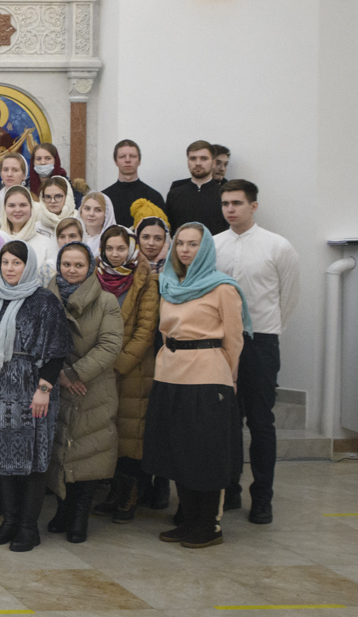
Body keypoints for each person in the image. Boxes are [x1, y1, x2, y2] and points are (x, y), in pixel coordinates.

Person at [145, 223, 247, 549]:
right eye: (181, 244)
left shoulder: (222, 288)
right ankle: (188, 518)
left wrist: (229, 377)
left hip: (206, 375)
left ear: (205, 250)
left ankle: (209, 524)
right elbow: (164, 331)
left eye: (193, 245)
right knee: (177, 451)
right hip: (170, 373)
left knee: (205, 453)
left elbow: (234, 338)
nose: (186, 250)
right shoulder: (170, 283)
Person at [0, 239, 72, 552]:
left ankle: (28, 526)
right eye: (6, 262)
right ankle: (9, 520)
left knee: (31, 461)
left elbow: (56, 352)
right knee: (0, 457)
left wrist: (44, 390)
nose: (10, 268)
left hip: (30, 390)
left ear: (29, 266)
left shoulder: (45, 302)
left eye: (17, 263)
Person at [212, 180, 297, 524]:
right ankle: (229, 488)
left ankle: (262, 496)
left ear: (253, 206)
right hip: (220, 343)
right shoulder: (215, 245)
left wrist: (265, 331)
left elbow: (288, 299)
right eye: (225, 204)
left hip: (260, 340)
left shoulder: (278, 247)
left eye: (237, 203)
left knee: (261, 422)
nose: (230, 209)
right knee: (227, 421)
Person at [41, 241, 122, 544]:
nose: (72, 270)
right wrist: (57, 374)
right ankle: (63, 509)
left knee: (88, 450)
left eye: (78, 265)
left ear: (89, 268)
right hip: (55, 383)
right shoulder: (44, 298)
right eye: (66, 264)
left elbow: (110, 344)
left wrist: (75, 373)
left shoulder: (106, 301)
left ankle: (80, 515)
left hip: (91, 386)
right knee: (60, 449)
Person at [95, 225, 161, 524]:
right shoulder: (95, 277)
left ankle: (131, 495)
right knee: (111, 431)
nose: (115, 253)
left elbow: (146, 331)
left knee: (131, 433)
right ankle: (114, 492)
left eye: (120, 248)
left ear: (131, 249)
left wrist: (117, 365)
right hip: (102, 368)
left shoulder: (146, 280)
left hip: (134, 369)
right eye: (110, 248)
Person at [165, 141, 227, 234]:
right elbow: (169, 230)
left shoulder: (224, 195)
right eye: (193, 158)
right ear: (188, 162)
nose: (198, 163)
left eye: (204, 158)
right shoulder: (174, 195)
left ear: (213, 163)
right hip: (182, 248)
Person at [100, 140, 163, 228]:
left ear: (139, 161)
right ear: (115, 162)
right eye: (122, 156)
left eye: (132, 156)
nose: (127, 160)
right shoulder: (104, 197)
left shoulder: (154, 197)